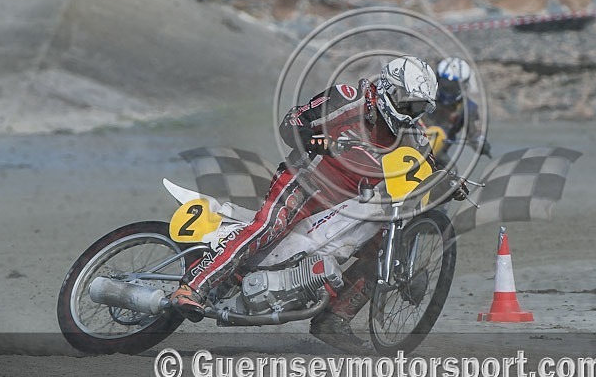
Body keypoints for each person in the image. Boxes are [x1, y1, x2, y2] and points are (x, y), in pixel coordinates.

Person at [169, 56, 442, 352]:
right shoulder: (348, 99)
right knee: (270, 225)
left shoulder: (414, 135)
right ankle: (192, 286)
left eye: (419, 108)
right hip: (306, 179)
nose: (410, 114)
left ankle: (333, 320)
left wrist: (451, 183)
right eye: (408, 104)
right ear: (388, 88)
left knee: (382, 244)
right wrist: (318, 142)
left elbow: (426, 171)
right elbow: (293, 123)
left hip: (350, 204)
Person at [424, 57, 491, 167]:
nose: (448, 92)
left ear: (464, 86)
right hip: (411, 145)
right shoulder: (424, 97)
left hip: (438, 156)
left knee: (453, 177)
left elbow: (474, 135)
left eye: (453, 87)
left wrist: (482, 144)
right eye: (445, 86)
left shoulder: (469, 108)